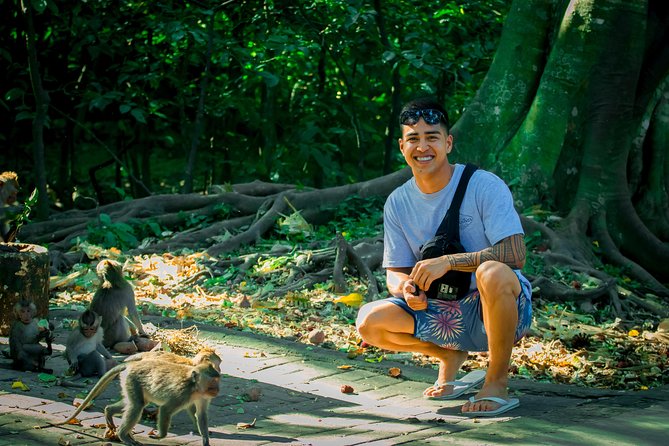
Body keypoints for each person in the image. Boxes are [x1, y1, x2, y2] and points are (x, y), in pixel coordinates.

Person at [356, 97, 532, 416]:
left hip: (494, 309)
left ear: (448, 143)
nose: (422, 147)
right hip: (442, 315)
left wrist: (450, 262)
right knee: (369, 322)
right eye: (413, 139)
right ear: (402, 146)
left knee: (492, 272)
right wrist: (406, 289)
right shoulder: (397, 202)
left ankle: (496, 383)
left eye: (432, 137)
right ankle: (448, 357)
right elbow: (395, 271)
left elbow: (516, 254)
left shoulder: (483, 185)